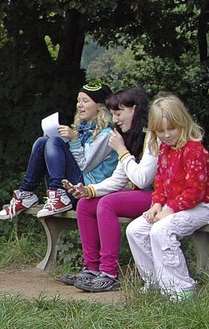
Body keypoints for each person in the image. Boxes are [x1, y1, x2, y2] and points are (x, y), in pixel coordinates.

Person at [57, 87, 156, 292]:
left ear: (135, 110)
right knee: (85, 204)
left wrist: (121, 151)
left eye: (118, 114)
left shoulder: (153, 137)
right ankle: (91, 268)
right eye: (112, 115)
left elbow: (143, 178)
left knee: (108, 203)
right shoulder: (130, 136)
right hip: (141, 194)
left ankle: (109, 273)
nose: (115, 120)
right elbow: (118, 180)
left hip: (159, 198)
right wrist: (88, 190)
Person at [125, 94, 209, 302]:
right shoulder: (165, 150)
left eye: (172, 128)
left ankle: (180, 288)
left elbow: (195, 191)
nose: (167, 135)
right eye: (161, 131)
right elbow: (160, 181)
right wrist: (157, 204)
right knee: (136, 229)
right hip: (176, 205)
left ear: (183, 123)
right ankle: (155, 281)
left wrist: (169, 211)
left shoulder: (194, 150)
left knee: (162, 229)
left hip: (204, 207)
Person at [0, 83, 118, 220]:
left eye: (85, 101)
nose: (80, 105)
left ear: (99, 106)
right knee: (42, 142)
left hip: (86, 190)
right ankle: (26, 193)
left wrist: (73, 139)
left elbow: (84, 166)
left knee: (54, 142)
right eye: (78, 101)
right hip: (71, 186)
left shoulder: (106, 135)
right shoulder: (82, 129)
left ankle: (57, 193)